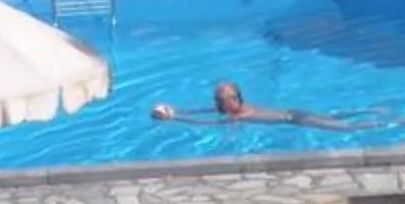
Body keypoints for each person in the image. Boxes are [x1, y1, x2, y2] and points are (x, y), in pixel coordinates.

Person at [150, 80, 352, 130]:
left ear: (233, 101)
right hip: (293, 113)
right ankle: (370, 111)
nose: (216, 103)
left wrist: (176, 118)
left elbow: (206, 123)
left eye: (219, 100)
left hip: (296, 119)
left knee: (342, 127)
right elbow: (207, 111)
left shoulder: (237, 116)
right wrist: (177, 110)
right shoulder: (240, 107)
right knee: (334, 117)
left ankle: (375, 124)